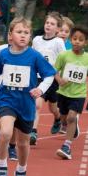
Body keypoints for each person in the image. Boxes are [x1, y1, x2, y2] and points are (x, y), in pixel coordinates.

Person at [0, 17, 56, 176]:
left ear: (30, 36)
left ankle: (21, 170)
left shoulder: (34, 56)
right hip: (6, 100)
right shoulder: (3, 55)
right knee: (6, 132)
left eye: (26, 33)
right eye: (19, 32)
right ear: (10, 36)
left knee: (23, 143)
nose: (23, 36)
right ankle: (1, 166)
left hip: (26, 103)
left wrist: (40, 89)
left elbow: (49, 75)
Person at [29, 11, 65, 145]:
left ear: (57, 29)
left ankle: (57, 118)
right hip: (39, 78)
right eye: (47, 23)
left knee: (53, 108)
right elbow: (32, 56)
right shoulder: (37, 40)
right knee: (37, 104)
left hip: (53, 79)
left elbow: (64, 60)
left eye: (52, 24)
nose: (48, 25)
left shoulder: (58, 42)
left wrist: (61, 77)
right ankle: (33, 132)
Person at [54, 25, 88, 160]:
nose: (77, 42)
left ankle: (66, 146)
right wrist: (59, 80)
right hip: (63, 93)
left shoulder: (87, 58)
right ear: (70, 39)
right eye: (74, 39)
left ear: (85, 42)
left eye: (81, 40)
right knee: (64, 118)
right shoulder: (64, 55)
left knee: (72, 117)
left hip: (78, 94)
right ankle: (70, 128)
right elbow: (54, 70)